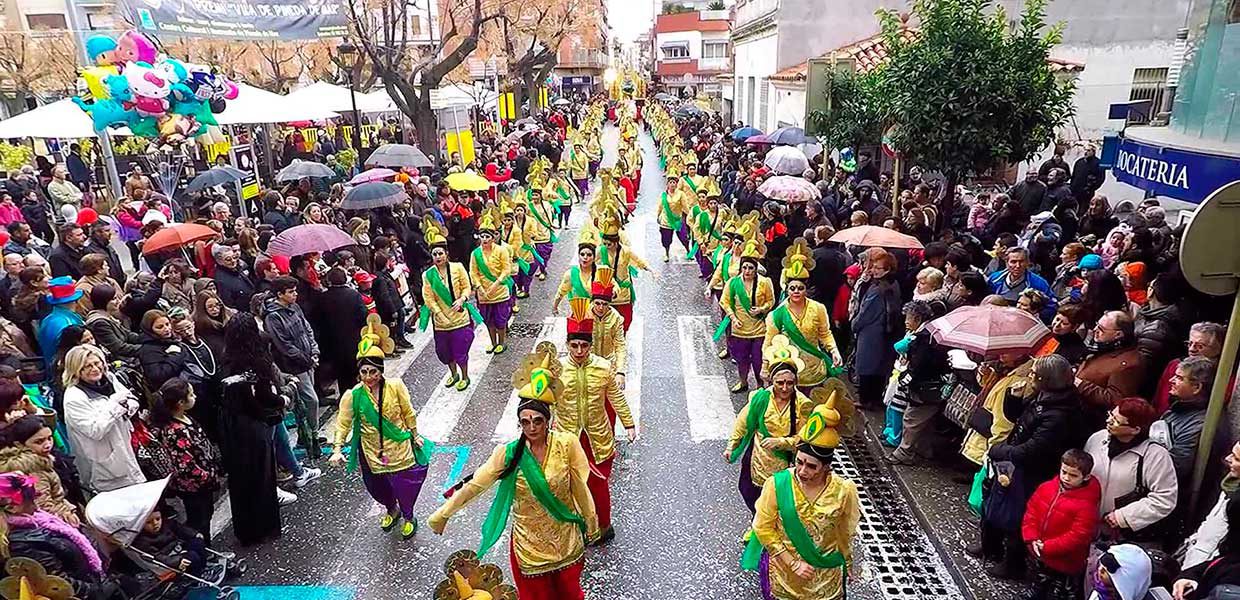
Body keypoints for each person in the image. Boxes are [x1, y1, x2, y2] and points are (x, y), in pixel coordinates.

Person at [429, 344, 598, 600]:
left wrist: (591, 518)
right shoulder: (508, 454)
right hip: (529, 547)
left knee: (571, 594)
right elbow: (476, 485)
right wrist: (444, 514)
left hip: (565, 540)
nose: (531, 427)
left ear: (548, 420)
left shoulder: (567, 444)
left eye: (538, 420)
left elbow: (579, 485)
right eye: (525, 421)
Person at [972, 354, 1083, 580]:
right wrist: (1013, 399)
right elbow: (1019, 419)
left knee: (1017, 516)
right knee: (993, 500)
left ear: (1046, 379)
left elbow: (1034, 449)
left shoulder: (1059, 414)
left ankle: (1013, 563)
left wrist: (999, 451)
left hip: (1031, 470)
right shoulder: (1044, 397)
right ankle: (990, 546)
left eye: (1034, 373)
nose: (1030, 376)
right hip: (1015, 461)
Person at [743, 394, 860, 600]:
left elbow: (844, 531)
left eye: (811, 466)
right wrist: (792, 562)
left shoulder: (844, 490)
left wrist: (847, 562)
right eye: (799, 462)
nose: (802, 471)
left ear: (826, 467)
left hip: (825, 576)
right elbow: (762, 526)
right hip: (784, 575)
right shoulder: (777, 485)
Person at [328, 317, 431, 539]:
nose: (369, 377)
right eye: (364, 372)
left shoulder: (395, 386)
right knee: (378, 487)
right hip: (371, 452)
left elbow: (408, 411)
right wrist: (337, 449)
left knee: (405, 485)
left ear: (381, 371)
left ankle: (408, 515)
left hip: (399, 447)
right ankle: (391, 510)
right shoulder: (353, 395)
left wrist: (415, 435)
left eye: (373, 372)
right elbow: (343, 423)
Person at [557, 299, 636, 544]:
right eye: (574, 346)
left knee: (598, 486)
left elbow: (615, 397)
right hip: (568, 438)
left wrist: (629, 423)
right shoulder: (557, 369)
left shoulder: (604, 368)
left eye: (583, 346)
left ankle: (603, 525)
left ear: (590, 346)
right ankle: (578, 525)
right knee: (571, 485)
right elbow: (547, 401)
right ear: (568, 345)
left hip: (597, 439)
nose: (579, 351)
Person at [0, 472, 125, 600]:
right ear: (12, 507)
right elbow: (56, 583)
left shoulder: (39, 520)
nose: (36, 505)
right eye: (30, 500)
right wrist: (103, 591)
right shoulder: (21, 544)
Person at [725, 335, 815, 513]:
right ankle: (758, 523)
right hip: (758, 458)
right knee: (750, 493)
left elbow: (805, 438)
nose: (784, 388)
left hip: (784, 462)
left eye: (790, 383)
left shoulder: (802, 404)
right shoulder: (761, 398)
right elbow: (742, 422)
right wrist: (731, 446)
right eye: (779, 383)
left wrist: (781, 442)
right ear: (772, 381)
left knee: (778, 502)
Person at [219, 313, 287, 545]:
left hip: (231, 422)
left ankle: (247, 530)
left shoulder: (227, 358)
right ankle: (264, 525)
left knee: (240, 479)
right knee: (261, 475)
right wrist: (282, 401)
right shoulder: (257, 360)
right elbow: (265, 395)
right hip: (253, 423)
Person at [1084, 398, 1177, 546]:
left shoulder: (1156, 456)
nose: (1108, 421)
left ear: (1135, 429)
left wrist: (1122, 516)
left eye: (1116, 421)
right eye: (1110, 415)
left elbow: (1164, 499)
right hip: (1087, 525)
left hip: (1124, 536)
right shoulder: (1096, 439)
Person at [138, 378, 221, 536]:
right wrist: (206, 476)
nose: (195, 396)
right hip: (194, 486)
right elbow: (184, 464)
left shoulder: (186, 418)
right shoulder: (174, 431)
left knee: (206, 514)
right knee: (199, 520)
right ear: (180, 402)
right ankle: (203, 551)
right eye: (191, 394)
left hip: (205, 480)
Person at [1021, 449, 1102, 600]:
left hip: (1065, 563)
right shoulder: (1046, 487)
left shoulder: (1086, 505)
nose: (1066, 478)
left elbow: (1078, 536)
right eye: (1064, 472)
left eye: (1073, 475)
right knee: (1036, 587)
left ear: (1086, 477)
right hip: (1039, 553)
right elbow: (1030, 513)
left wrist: (1048, 547)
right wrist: (1031, 538)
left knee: (1058, 594)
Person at [61, 344, 144, 492]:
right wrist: (115, 404)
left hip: (127, 448)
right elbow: (95, 430)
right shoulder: (74, 398)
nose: (94, 368)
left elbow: (130, 399)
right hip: (105, 468)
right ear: (76, 370)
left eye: (97, 363)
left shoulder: (109, 379)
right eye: (86, 366)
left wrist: (128, 405)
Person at [764, 241, 841, 396]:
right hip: (788, 371)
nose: (796, 292)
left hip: (814, 370)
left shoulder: (818, 308)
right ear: (787, 289)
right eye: (792, 288)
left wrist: (834, 351)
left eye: (800, 288)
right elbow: (769, 341)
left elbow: (825, 334)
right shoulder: (777, 314)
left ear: (806, 289)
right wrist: (765, 366)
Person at [263, 276, 322, 460]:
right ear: (280, 294)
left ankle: (309, 435)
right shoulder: (273, 317)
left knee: (308, 399)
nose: (295, 294)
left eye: (295, 291)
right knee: (311, 400)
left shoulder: (295, 307)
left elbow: (307, 329)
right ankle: (312, 433)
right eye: (290, 292)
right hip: (295, 366)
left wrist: (314, 350)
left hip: (308, 360)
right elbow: (284, 345)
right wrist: (306, 359)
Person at [888, 300, 950, 466]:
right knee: (925, 421)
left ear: (917, 318)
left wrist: (907, 376)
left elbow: (921, 365)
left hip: (926, 387)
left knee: (911, 419)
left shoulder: (924, 338)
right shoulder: (931, 332)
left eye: (908, 318)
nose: (906, 322)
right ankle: (924, 449)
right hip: (932, 386)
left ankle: (904, 452)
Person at [418, 216, 476, 391]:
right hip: (441, 322)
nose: (437, 257)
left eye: (440, 253)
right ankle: (453, 374)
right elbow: (428, 298)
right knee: (445, 352)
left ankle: (465, 376)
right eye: (434, 254)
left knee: (460, 351)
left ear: (446, 254)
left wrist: (462, 299)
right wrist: (439, 314)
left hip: (459, 318)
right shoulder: (428, 275)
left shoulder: (458, 268)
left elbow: (467, 287)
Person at [0, 415, 82, 525]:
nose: (48, 445)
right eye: (39, 442)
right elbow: (43, 505)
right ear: (19, 444)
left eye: (50, 438)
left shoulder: (42, 459)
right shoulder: (33, 469)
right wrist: (66, 514)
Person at [1076, 310, 1146, 428]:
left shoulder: (1129, 363)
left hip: (1089, 420)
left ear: (1118, 335)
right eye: (1096, 325)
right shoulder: (1102, 346)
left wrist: (1080, 384)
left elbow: (1115, 399)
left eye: (1101, 329)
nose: (1094, 330)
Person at [721, 239, 775, 393]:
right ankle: (743, 381)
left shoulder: (765, 282)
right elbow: (725, 302)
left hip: (759, 329)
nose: (747, 271)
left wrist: (761, 309)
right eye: (744, 267)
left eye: (750, 268)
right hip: (739, 328)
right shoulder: (733, 283)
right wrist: (733, 318)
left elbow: (771, 301)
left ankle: (759, 385)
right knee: (741, 360)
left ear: (756, 268)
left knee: (758, 360)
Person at [852, 249, 900, 407]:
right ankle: (874, 398)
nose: (873, 270)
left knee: (867, 366)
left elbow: (865, 312)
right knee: (878, 367)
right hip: (884, 332)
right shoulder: (892, 284)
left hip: (871, 332)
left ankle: (866, 399)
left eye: (877, 268)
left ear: (887, 270)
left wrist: (854, 324)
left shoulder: (878, 289)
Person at [1153, 322, 1225, 414]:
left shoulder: (1223, 376)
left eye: (1200, 346)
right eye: (1190, 343)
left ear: (1218, 349)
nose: (1191, 349)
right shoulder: (1174, 365)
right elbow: (1157, 401)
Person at [318, 268, 369, 395]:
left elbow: (319, 321)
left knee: (341, 374)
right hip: (354, 339)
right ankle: (362, 395)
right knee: (357, 370)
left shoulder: (323, 298)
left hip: (334, 342)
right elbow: (363, 316)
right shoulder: (353, 295)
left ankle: (346, 397)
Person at [470, 208, 513, 354]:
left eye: (488, 236)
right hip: (484, 294)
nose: (485, 239)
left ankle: (502, 342)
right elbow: (473, 272)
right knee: (488, 321)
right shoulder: (475, 254)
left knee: (500, 319)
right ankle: (493, 342)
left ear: (493, 237)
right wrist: (479, 287)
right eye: (482, 236)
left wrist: (496, 284)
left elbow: (506, 270)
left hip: (500, 291)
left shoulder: (502, 251)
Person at [586, 265, 628, 390]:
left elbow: (620, 345)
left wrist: (620, 372)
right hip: (588, 367)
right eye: (597, 303)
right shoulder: (583, 315)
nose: (600, 308)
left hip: (609, 367)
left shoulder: (616, 318)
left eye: (604, 304)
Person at [988, 247, 1056, 321]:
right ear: (1007, 263)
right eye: (1013, 262)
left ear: (1027, 262)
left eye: (1021, 261)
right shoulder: (994, 279)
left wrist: (1035, 315)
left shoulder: (1039, 284)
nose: (1018, 266)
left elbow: (1052, 306)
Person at [36, 277, 85, 369]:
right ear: (75, 301)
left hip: (52, 370)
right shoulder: (69, 324)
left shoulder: (48, 319)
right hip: (69, 371)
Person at [83, 284, 141, 361]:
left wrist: (148, 339)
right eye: (113, 299)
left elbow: (127, 334)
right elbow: (118, 348)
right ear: (104, 302)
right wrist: (146, 349)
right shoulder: (99, 323)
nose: (118, 301)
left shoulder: (108, 315)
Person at [135, 309, 188, 390]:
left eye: (167, 324)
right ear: (150, 330)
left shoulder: (171, 340)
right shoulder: (149, 349)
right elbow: (158, 376)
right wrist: (174, 355)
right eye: (160, 327)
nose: (166, 329)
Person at [211, 245, 256, 312]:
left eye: (234, 257)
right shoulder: (221, 280)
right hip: (244, 312)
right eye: (228, 259)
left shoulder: (237, 268)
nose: (233, 261)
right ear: (219, 262)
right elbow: (228, 304)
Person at [84, 220, 126, 289]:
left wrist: (122, 277)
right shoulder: (89, 250)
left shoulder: (107, 246)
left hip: (118, 283)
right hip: (106, 288)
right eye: (107, 231)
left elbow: (116, 263)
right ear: (97, 233)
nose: (110, 233)